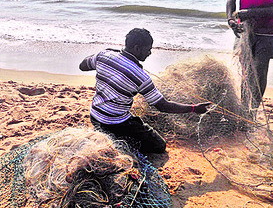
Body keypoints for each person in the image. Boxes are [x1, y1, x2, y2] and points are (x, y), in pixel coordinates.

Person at [79, 28, 211, 153]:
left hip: (95, 116)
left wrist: (107, 52)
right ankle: (120, 141)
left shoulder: (103, 55)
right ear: (137, 48)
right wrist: (194, 108)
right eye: (148, 49)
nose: (150, 53)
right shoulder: (141, 77)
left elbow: (83, 66)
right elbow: (163, 106)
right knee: (159, 145)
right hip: (115, 123)